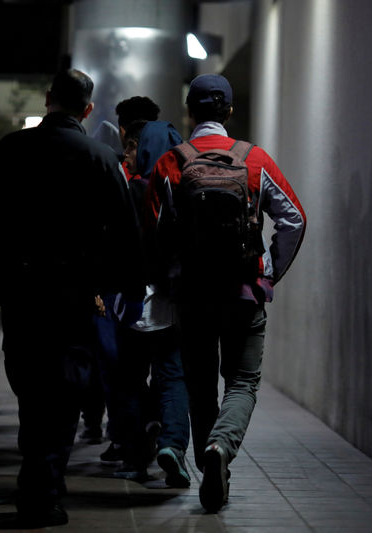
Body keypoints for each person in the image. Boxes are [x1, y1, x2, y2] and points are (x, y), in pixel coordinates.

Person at [0, 69, 145, 528]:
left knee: (31, 387)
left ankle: (41, 480)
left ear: (48, 99)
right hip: (73, 296)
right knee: (66, 390)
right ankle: (43, 488)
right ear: (88, 110)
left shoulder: (11, 149)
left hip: (22, 292)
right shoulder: (99, 157)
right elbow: (127, 236)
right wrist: (118, 289)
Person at [143, 74, 307, 511]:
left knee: (198, 385)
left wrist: (170, 278)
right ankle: (221, 450)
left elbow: (154, 235)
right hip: (243, 294)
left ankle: (208, 463)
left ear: (189, 111)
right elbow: (294, 220)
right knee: (242, 380)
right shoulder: (254, 160)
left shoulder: (171, 163)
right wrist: (268, 271)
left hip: (193, 296)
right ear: (229, 112)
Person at [113, 119, 192, 487]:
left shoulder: (127, 189)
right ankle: (172, 445)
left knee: (130, 379)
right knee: (173, 376)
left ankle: (134, 456)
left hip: (129, 303)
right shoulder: (179, 187)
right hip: (170, 301)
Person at [92, 95, 163, 466]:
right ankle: (163, 435)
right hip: (167, 291)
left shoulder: (116, 171)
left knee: (120, 371)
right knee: (162, 371)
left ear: (123, 131)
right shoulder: (173, 167)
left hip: (119, 290)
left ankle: (127, 440)